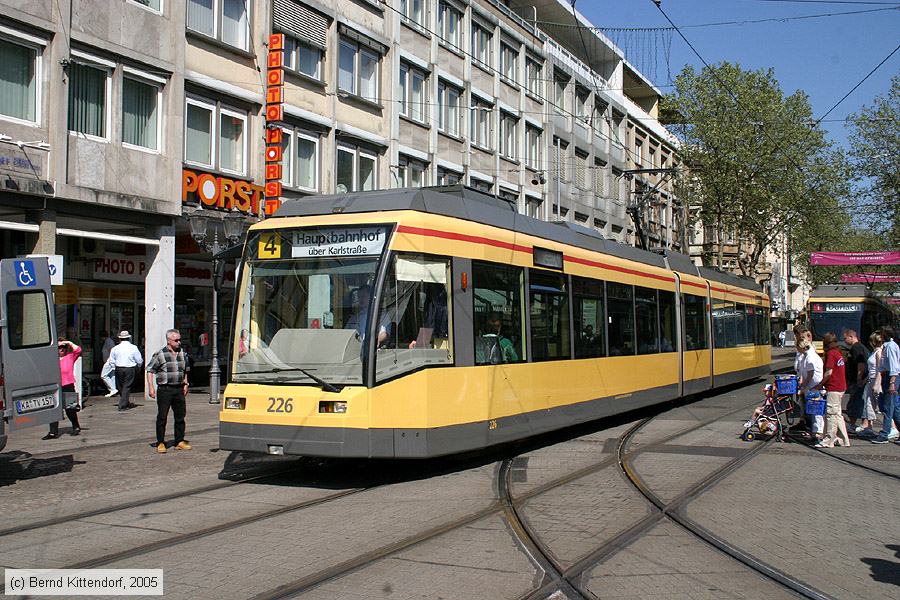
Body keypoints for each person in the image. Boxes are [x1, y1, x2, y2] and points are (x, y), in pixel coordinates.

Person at [146, 329, 191, 454]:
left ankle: (179, 441)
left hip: (178, 389)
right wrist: (151, 387)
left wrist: (186, 383)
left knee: (180, 416)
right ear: (169, 341)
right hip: (165, 389)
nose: (179, 342)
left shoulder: (183, 353)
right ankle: (160, 442)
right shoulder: (160, 354)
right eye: (176, 340)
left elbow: (185, 370)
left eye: (179, 339)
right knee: (162, 417)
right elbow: (150, 370)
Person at [43, 339, 83, 439]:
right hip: (55, 386)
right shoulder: (51, 359)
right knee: (53, 409)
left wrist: (68, 342)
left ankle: (76, 426)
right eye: (59, 348)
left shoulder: (70, 357)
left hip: (68, 385)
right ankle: (53, 432)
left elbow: (78, 350)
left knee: (70, 408)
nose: (61, 350)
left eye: (63, 348)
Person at [816, 332, 850, 448]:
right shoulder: (838, 353)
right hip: (841, 387)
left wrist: (821, 383)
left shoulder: (830, 354)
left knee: (831, 414)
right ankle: (844, 440)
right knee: (838, 414)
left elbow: (829, 372)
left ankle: (828, 440)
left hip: (834, 387)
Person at [872, 325, 900, 444]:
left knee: (888, 407)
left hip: (890, 377)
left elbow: (894, 366)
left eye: (881, 334)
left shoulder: (891, 347)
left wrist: (892, 383)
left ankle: (884, 434)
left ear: (884, 335)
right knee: (894, 408)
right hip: (887, 376)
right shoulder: (887, 346)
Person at [795, 326, 824, 439]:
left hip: (813, 387)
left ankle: (817, 432)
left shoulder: (810, 357)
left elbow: (811, 373)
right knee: (812, 409)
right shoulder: (807, 356)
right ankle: (814, 430)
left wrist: (804, 386)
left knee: (816, 410)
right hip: (811, 387)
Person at [106, 330, 142, 411]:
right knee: (127, 386)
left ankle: (125, 401)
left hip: (118, 368)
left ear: (120, 339)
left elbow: (111, 360)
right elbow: (139, 359)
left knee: (121, 386)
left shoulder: (115, 348)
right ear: (129, 338)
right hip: (130, 368)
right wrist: (139, 366)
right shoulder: (133, 347)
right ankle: (122, 405)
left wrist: (114, 368)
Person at [842, 329, 870, 434]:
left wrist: (859, 378)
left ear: (851, 337)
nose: (844, 341)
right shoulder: (858, 347)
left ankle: (854, 424)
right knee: (858, 401)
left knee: (855, 402)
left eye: (845, 338)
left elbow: (861, 364)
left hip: (858, 380)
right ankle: (862, 423)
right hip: (858, 379)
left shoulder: (856, 348)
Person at [858, 332, 884, 439]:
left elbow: (879, 369)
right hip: (870, 380)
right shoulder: (874, 352)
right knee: (869, 403)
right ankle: (869, 426)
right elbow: (871, 370)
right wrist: (865, 380)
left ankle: (893, 427)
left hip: (875, 381)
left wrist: (877, 383)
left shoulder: (879, 352)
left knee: (880, 405)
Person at [100, 330, 118, 397]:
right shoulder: (107, 341)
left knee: (103, 375)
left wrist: (110, 360)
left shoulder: (108, 341)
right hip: (109, 361)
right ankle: (113, 390)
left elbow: (112, 350)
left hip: (109, 361)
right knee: (111, 376)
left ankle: (113, 389)